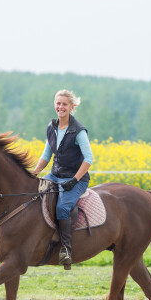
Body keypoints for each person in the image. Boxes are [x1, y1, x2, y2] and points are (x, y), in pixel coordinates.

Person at [33, 89, 93, 267]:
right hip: (55, 175)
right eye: (58, 103)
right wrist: (34, 173)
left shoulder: (79, 131)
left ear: (72, 107)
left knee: (62, 208)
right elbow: (46, 155)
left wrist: (74, 180)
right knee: (35, 196)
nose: (60, 107)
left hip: (76, 179)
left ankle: (66, 250)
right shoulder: (51, 127)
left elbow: (89, 158)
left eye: (64, 104)